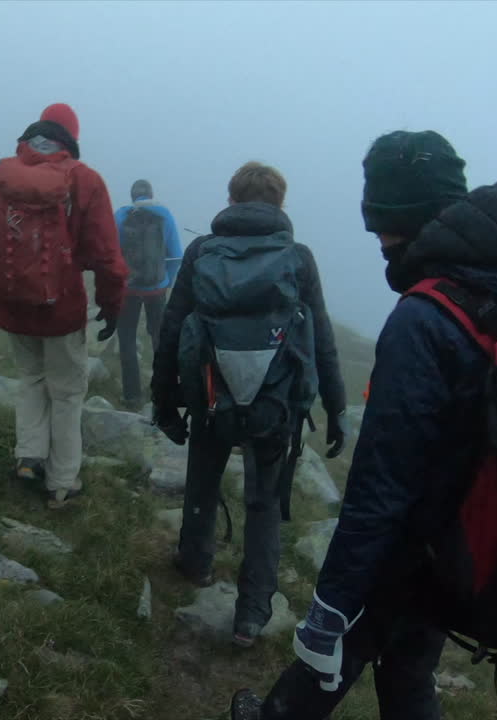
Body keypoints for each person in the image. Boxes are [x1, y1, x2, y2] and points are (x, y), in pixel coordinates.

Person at [230, 130, 497, 719]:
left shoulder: (424, 317)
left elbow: (381, 486)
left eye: (379, 226)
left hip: (409, 548)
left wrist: (331, 606)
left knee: (326, 664)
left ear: (403, 220)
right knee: (411, 672)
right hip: (466, 539)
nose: (378, 242)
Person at [151, 161, 348, 648]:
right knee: (263, 503)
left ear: (232, 199)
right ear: (279, 203)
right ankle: (252, 613)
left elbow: (172, 330)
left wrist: (165, 401)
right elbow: (321, 337)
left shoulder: (202, 252)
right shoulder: (298, 257)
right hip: (275, 405)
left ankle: (194, 562)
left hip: (210, 396)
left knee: (202, 479)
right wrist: (337, 407)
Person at [0, 103, 127, 509]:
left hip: (12, 304)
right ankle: (62, 482)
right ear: (72, 137)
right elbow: (107, 257)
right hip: (62, 308)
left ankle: (29, 457)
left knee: (31, 378)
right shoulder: (84, 180)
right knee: (67, 393)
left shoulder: (1, 177)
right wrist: (111, 304)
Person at [113, 179, 183, 411]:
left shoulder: (122, 215)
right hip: (157, 289)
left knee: (127, 340)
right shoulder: (164, 214)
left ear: (133, 196)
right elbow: (176, 254)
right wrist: (166, 282)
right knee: (159, 341)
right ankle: (161, 394)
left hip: (128, 289)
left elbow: (112, 253)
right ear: (151, 194)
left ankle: (131, 396)